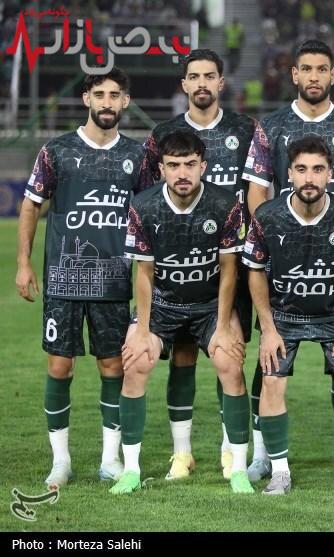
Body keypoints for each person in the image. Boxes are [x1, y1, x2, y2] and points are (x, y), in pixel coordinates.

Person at [243, 39, 334, 477]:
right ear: (295, 75)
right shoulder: (271, 126)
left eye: (322, 69)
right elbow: (257, 190)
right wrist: (270, 238)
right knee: (269, 366)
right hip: (283, 261)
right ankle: (264, 455)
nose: (314, 76)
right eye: (307, 69)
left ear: (332, 76)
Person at [16, 67, 149, 490]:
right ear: (86, 99)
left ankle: (110, 460)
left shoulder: (139, 156)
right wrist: (24, 262)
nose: (107, 102)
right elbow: (30, 204)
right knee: (60, 366)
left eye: (115, 95)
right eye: (99, 94)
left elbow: (150, 213)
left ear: (125, 102)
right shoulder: (56, 151)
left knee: (113, 366)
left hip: (114, 280)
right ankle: (61, 461)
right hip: (64, 279)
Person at [110, 130, 253, 494]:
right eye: (173, 165)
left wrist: (224, 325)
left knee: (229, 363)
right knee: (136, 362)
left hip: (209, 305)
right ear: (161, 169)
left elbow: (229, 270)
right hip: (163, 304)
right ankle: (131, 470)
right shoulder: (143, 205)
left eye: (190, 164)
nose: (182, 173)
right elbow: (144, 273)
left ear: (203, 166)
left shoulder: (225, 204)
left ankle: (238, 468)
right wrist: (143, 330)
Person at [143, 48, 261, 482]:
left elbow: (264, 183)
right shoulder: (163, 134)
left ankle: (230, 450)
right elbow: (147, 195)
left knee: (228, 352)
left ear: (221, 82)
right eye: (194, 77)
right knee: (183, 355)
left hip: (233, 262)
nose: (202, 84)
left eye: (209, 76)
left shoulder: (247, 130)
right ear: (184, 84)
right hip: (178, 265)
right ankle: (182, 454)